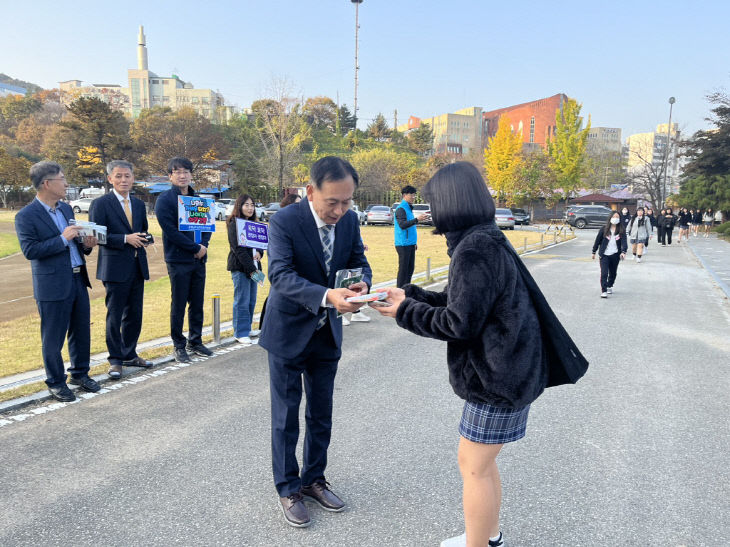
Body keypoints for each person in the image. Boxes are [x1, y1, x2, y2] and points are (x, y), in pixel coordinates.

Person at [373, 162, 584, 547]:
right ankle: (486, 536)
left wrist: (404, 312)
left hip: (497, 378)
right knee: (481, 466)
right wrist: (412, 296)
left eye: (433, 201)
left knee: (474, 467)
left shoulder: (474, 249)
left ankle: (478, 544)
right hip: (511, 372)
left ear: (451, 202)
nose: (429, 209)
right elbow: (468, 304)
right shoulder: (484, 239)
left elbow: (458, 323)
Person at [258, 156, 371, 528]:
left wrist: (362, 284)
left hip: (327, 333)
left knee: (321, 413)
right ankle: (288, 487)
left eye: (347, 202)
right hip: (288, 332)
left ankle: (314, 480)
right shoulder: (285, 221)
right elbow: (281, 274)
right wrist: (327, 296)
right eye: (332, 202)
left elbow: (359, 260)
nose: (340, 210)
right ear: (311, 192)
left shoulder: (351, 220)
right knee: (285, 416)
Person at [14, 161, 101, 402]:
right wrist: (63, 239)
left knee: (81, 330)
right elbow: (30, 250)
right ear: (47, 183)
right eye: (62, 179)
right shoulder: (26, 216)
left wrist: (86, 244)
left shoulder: (65, 210)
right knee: (53, 336)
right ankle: (55, 381)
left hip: (77, 279)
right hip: (52, 285)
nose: (66, 184)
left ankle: (80, 374)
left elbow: (76, 244)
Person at [89, 160, 152, 379]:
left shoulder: (138, 204)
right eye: (118, 176)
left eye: (127, 176)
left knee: (134, 314)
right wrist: (125, 238)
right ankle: (115, 360)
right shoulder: (101, 204)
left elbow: (143, 229)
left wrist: (144, 238)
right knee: (115, 315)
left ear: (133, 178)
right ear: (110, 179)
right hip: (114, 267)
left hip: (137, 265)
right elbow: (96, 235)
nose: (123, 180)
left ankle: (129, 353)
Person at [155, 157, 213, 363]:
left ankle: (195, 340)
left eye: (186, 171)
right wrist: (194, 247)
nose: (182, 175)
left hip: (199, 260)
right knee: (179, 303)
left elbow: (207, 226)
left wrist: (203, 246)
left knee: (197, 302)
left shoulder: (198, 199)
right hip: (178, 259)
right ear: (170, 175)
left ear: (191, 174)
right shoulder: (165, 200)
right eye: (177, 171)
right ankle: (179, 344)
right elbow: (169, 230)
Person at [227, 194, 263, 345]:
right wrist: (251, 269)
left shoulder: (254, 223)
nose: (250, 208)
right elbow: (238, 249)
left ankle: (247, 328)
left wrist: (261, 253)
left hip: (253, 268)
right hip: (241, 267)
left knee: (251, 300)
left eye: (252, 205)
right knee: (241, 300)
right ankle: (240, 332)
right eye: (246, 205)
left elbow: (261, 244)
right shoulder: (234, 223)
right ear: (239, 206)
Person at [394, 185, 428, 288]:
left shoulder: (408, 209)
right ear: (404, 195)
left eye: (414, 195)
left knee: (410, 269)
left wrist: (414, 243)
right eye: (411, 195)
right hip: (403, 244)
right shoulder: (401, 209)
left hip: (410, 244)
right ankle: (400, 291)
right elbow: (403, 225)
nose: (413, 197)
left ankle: (406, 291)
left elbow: (410, 228)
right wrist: (417, 219)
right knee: (404, 270)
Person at [592, 212, 627, 297]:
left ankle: (609, 285)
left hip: (615, 254)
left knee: (613, 273)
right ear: (610, 218)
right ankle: (604, 290)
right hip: (604, 254)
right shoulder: (604, 229)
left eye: (617, 217)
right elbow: (597, 241)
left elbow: (624, 242)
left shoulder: (621, 230)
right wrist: (594, 251)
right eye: (614, 216)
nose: (615, 218)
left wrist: (623, 252)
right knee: (604, 273)